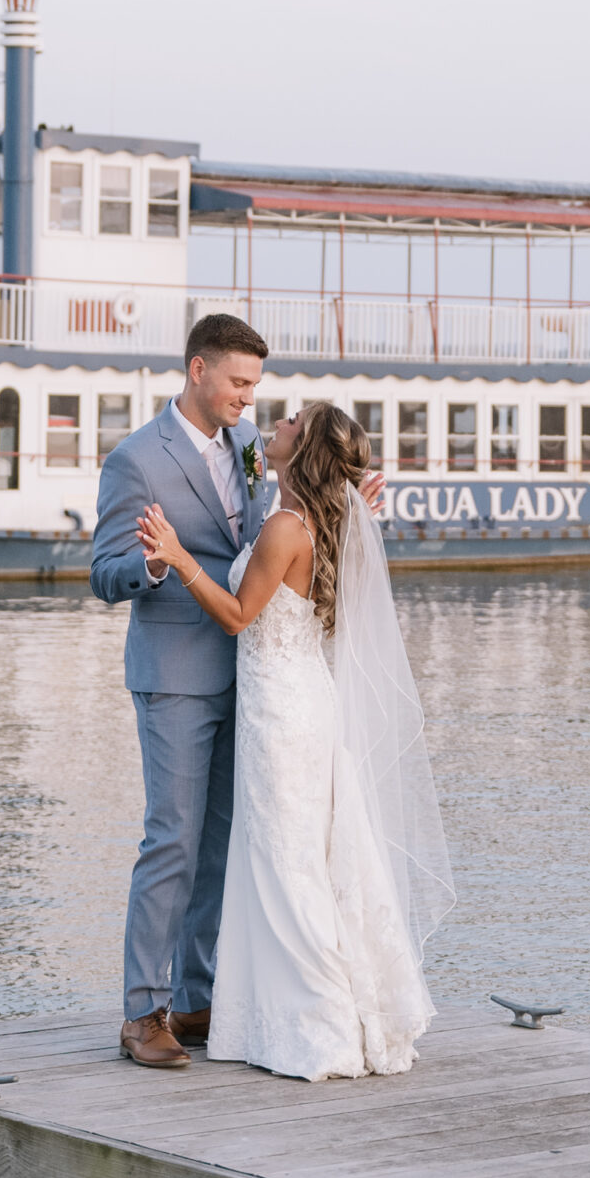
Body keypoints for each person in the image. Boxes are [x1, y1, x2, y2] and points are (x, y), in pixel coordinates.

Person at [136, 402, 454, 1081]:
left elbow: (235, 616)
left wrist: (177, 556)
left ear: (301, 450)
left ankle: (321, 1025)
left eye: (289, 425)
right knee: (291, 857)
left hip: (282, 714)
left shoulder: (286, 528)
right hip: (295, 704)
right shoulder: (310, 519)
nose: (274, 423)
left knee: (287, 865)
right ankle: (280, 1015)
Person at [90, 312, 273, 1070]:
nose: (247, 398)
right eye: (237, 382)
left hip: (251, 670)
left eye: (255, 386)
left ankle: (199, 1001)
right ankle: (143, 1012)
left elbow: (261, 537)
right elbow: (104, 574)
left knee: (225, 845)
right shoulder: (136, 460)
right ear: (197, 370)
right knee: (172, 838)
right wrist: (156, 567)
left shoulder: (254, 448)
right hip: (173, 675)